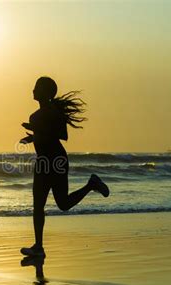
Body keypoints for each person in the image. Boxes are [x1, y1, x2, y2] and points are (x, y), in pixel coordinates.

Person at [19, 76, 109, 257]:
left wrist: (37, 129)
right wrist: (32, 136)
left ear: (45, 92)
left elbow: (62, 135)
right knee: (40, 205)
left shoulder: (48, 114)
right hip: (44, 161)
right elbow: (47, 136)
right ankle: (39, 247)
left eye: (37, 87)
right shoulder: (39, 115)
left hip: (55, 161)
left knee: (62, 204)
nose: (33, 90)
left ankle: (91, 185)